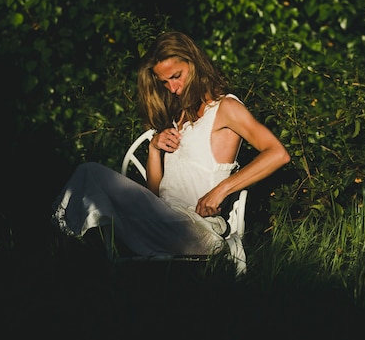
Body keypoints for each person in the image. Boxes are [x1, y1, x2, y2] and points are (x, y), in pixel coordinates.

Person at [52, 31, 290, 260]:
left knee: (90, 172)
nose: (173, 88)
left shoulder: (225, 108)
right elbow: (155, 195)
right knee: (90, 174)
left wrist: (222, 190)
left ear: (194, 63)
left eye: (176, 76)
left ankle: (61, 248)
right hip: (165, 222)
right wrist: (154, 149)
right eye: (165, 83)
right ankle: (66, 250)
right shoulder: (181, 119)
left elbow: (277, 154)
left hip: (197, 231)